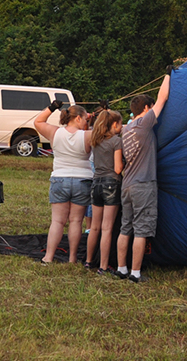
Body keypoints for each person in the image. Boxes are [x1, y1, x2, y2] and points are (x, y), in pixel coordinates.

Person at [114, 72, 171, 283]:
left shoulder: (126, 130)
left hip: (127, 185)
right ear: (146, 109)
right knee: (141, 230)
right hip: (143, 185)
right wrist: (168, 73)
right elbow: (163, 97)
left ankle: (121, 268)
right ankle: (135, 273)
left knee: (125, 227)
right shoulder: (144, 125)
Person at [34, 102, 92, 264]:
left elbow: (38, 122)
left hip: (60, 178)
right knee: (76, 221)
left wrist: (51, 108)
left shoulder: (55, 132)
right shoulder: (87, 136)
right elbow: (106, 131)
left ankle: (49, 256)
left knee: (57, 221)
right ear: (78, 118)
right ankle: (72, 257)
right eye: (86, 119)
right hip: (82, 180)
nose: (87, 123)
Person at [86, 109, 124, 274]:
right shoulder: (116, 141)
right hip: (111, 184)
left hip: (96, 184)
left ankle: (88, 261)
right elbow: (117, 168)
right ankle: (103, 265)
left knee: (94, 227)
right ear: (114, 124)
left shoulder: (95, 140)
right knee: (107, 228)